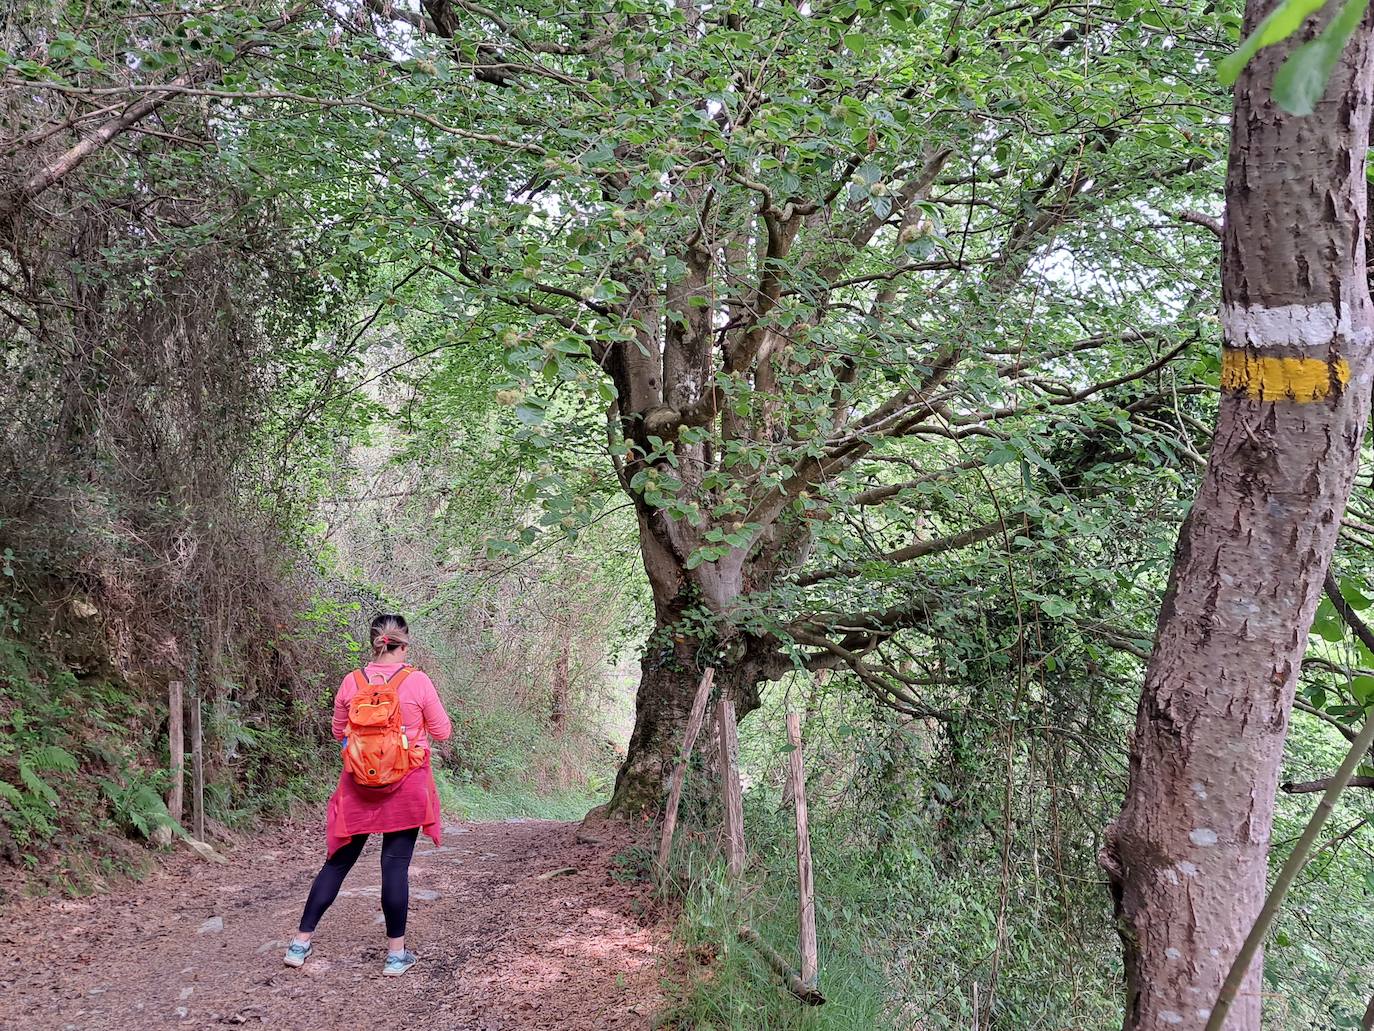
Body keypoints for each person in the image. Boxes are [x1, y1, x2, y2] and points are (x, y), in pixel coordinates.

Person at [283, 614, 452, 976]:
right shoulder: (417, 680)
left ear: (374, 643)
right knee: (395, 867)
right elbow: (442, 731)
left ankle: (299, 943)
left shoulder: (352, 681)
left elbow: (337, 732)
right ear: (404, 645)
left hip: (358, 784)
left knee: (337, 863)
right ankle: (395, 955)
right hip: (407, 783)